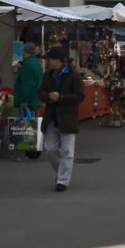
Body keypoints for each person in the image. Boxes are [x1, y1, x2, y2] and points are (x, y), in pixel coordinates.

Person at [38, 48, 86, 191]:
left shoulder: (74, 76)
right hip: (51, 116)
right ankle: (61, 172)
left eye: (49, 59)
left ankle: (63, 180)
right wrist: (48, 96)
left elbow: (80, 96)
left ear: (57, 61)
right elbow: (40, 92)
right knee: (50, 148)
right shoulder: (47, 75)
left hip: (68, 117)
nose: (48, 62)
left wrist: (61, 97)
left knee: (67, 151)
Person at [14, 43, 43, 158]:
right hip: (35, 99)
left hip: (29, 100)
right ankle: (35, 149)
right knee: (34, 124)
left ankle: (30, 151)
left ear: (25, 51)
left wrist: (23, 100)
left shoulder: (27, 65)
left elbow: (26, 85)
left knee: (28, 125)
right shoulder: (36, 63)